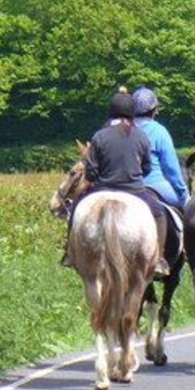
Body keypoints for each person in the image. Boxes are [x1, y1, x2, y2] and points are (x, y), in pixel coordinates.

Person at [63, 88, 170, 277]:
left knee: (77, 208)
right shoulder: (141, 136)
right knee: (160, 214)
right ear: (131, 113)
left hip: (103, 188)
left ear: (111, 111)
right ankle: (159, 258)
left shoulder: (100, 135)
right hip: (135, 190)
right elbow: (146, 168)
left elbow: (92, 170)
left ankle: (69, 252)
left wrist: (98, 176)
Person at [132, 87, 190, 210]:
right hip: (155, 183)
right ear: (154, 110)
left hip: (127, 187)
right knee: (188, 205)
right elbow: (171, 168)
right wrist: (182, 192)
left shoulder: (125, 130)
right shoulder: (159, 131)